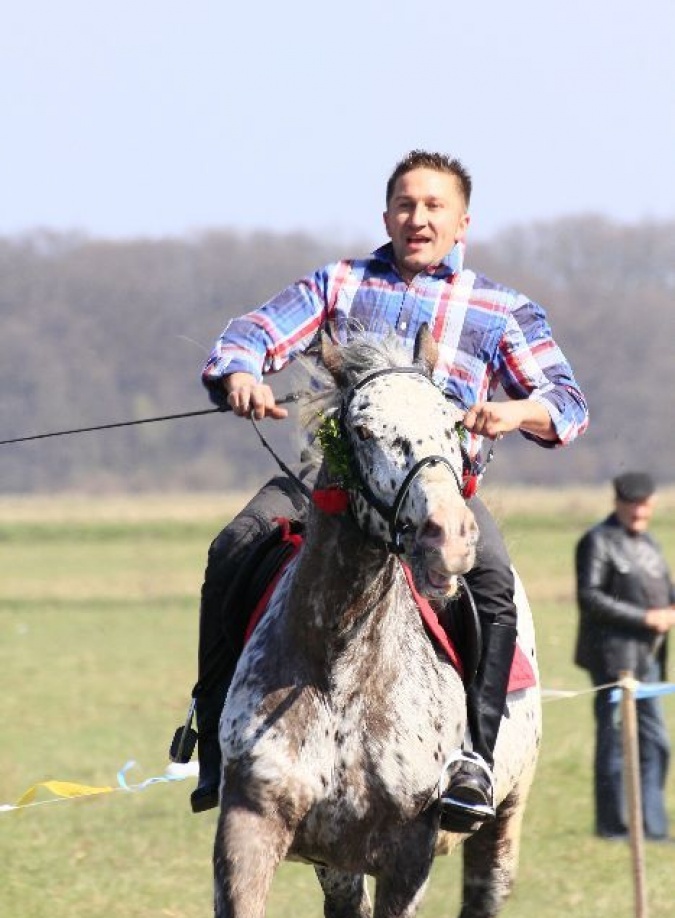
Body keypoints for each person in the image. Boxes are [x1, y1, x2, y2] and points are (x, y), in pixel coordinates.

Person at [176, 149, 589, 827]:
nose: (417, 218)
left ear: (462, 223)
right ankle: (216, 729)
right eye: (405, 205)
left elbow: (566, 403)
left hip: (439, 493)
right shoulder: (338, 284)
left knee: (490, 581)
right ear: (386, 214)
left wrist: (513, 411)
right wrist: (240, 374)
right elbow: (253, 332)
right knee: (234, 544)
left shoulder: (501, 309)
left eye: (434, 208)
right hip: (327, 486)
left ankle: (474, 763)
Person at [575, 471, 675, 841]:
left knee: (656, 742)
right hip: (613, 658)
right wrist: (646, 617)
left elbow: (663, 589)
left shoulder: (649, 544)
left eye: (644, 504)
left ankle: (653, 828)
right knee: (615, 742)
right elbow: (591, 597)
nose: (638, 511)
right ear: (618, 502)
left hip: (648, 658)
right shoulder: (597, 542)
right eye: (632, 504)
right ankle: (613, 827)